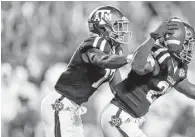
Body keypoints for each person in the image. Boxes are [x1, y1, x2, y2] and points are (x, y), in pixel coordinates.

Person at [99, 17, 195, 137]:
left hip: (129, 119)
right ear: (177, 42)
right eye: (188, 44)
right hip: (118, 116)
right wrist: (153, 37)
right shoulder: (158, 57)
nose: (191, 49)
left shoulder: (177, 69)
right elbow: (137, 66)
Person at [41, 5, 134, 137]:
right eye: (117, 26)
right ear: (103, 27)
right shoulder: (94, 43)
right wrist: (129, 59)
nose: (121, 31)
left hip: (73, 109)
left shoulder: (114, 52)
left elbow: (118, 90)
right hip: (61, 103)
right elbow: (102, 60)